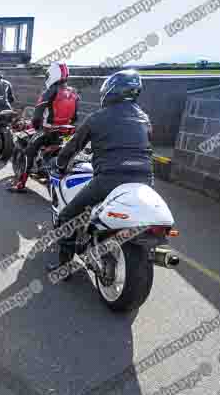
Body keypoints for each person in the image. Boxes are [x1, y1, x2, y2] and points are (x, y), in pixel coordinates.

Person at [46, 69, 154, 280]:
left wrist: (59, 163)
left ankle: (64, 268)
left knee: (67, 217)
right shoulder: (144, 118)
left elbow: (73, 147)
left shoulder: (98, 117)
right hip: (145, 179)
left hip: (110, 178)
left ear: (111, 91)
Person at [9, 62, 79, 192]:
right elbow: (75, 118)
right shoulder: (74, 93)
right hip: (65, 132)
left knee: (29, 151)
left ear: (53, 75)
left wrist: (36, 126)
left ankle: (20, 184)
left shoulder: (49, 92)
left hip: (48, 131)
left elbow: (36, 116)